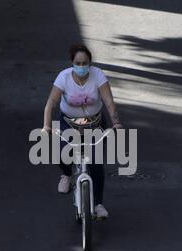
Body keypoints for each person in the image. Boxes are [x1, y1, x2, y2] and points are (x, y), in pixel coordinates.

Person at [42, 44, 123, 219]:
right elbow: (50, 104)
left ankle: (99, 204)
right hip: (68, 123)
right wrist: (46, 126)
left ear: (90, 63)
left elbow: (109, 102)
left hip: (95, 123)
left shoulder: (98, 75)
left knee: (95, 163)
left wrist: (116, 123)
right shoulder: (63, 78)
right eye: (77, 63)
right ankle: (66, 175)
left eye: (84, 63)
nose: (81, 66)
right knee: (62, 152)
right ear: (72, 62)